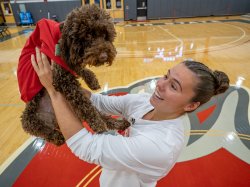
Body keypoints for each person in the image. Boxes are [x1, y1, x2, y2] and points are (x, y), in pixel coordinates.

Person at [31, 47, 230, 187]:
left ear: (191, 105)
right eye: (166, 76)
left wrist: (54, 90)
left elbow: (84, 146)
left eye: (173, 86)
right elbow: (99, 102)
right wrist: (62, 79)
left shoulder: (161, 146)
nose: (160, 84)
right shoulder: (145, 102)